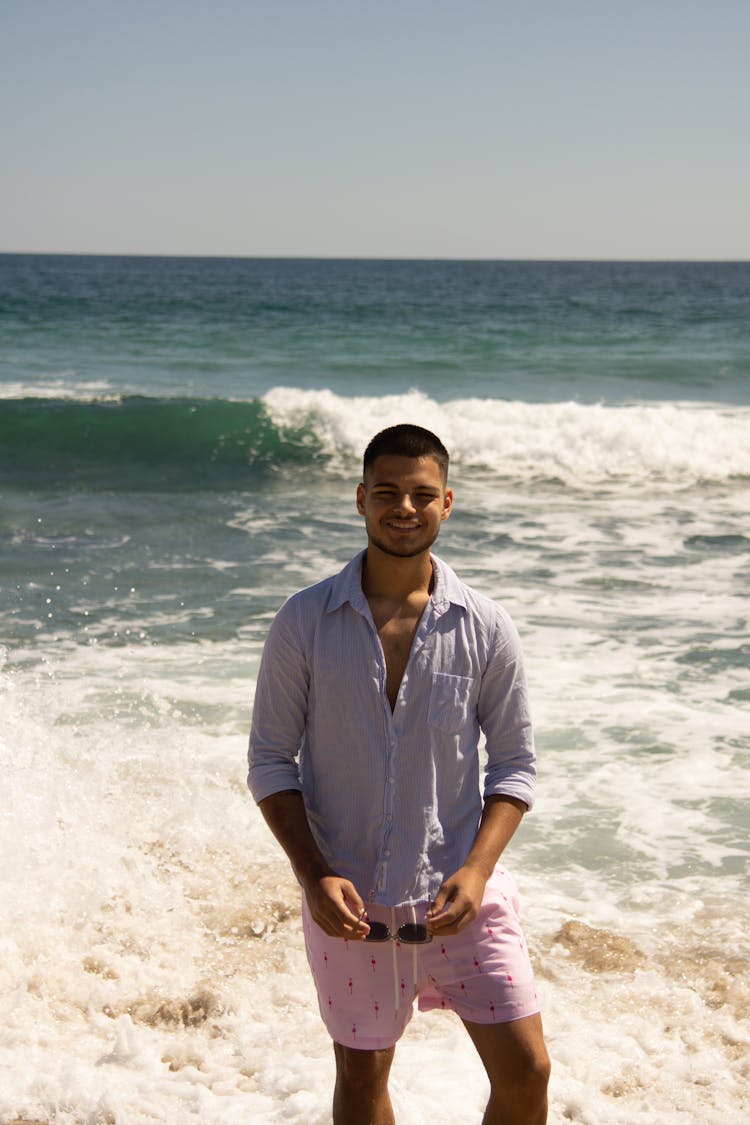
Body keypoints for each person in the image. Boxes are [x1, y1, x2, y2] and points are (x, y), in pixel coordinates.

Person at [248, 424, 550, 1124]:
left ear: (447, 502)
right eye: (388, 493)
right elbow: (269, 759)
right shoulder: (305, 620)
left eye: (421, 494)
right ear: (361, 498)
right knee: (361, 1083)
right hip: (351, 902)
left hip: (463, 895)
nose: (404, 508)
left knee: (529, 1071)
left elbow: (513, 765)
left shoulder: (486, 626)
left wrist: (476, 871)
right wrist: (313, 872)